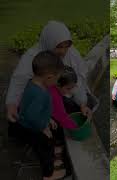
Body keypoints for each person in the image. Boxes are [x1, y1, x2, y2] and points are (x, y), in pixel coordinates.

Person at [6, 21, 92, 124]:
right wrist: (12, 104)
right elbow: (19, 81)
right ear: (49, 43)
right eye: (59, 47)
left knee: (80, 108)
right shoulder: (32, 57)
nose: (64, 51)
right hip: (40, 99)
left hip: (60, 95)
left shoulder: (71, 53)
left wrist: (82, 104)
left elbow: (77, 81)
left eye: (66, 46)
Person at [9, 51, 66, 180]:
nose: (57, 83)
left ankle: (52, 157)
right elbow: (31, 116)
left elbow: (33, 110)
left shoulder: (32, 83)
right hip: (32, 127)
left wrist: (48, 118)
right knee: (44, 146)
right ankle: (48, 174)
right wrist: (43, 127)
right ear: (49, 77)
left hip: (32, 122)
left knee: (51, 137)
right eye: (57, 79)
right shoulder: (41, 94)